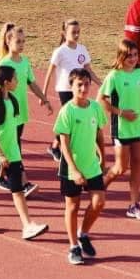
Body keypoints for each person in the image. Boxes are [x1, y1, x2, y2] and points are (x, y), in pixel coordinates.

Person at [0, 64, 48, 240]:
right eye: (15, 78)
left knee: (18, 189)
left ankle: (27, 225)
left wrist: (14, 150)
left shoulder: (13, 101)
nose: (17, 81)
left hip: (13, 152)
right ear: (6, 82)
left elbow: (12, 128)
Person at [54, 69, 107, 266]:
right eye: (79, 85)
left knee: (99, 202)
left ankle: (83, 233)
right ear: (72, 86)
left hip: (92, 165)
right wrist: (74, 170)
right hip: (71, 167)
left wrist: (102, 156)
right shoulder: (67, 111)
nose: (84, 88)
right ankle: (73, 246)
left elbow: (99, 134)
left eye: (86, 84)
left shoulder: (95, 107)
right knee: (73, 206)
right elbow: (64, 144)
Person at [0, 23, 50, 198]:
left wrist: (44, 98)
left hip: (21, 111)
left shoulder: (25, 61)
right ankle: (22, 183)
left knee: (13, 143)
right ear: (8, 41)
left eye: (23, 41)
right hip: (8, 112)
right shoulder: (4, 63)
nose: (21, 44)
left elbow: (31, 82)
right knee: (14, 147)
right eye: (18, 41)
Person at [99, 39, 140, 220]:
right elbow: (101, 100)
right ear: (121, 56)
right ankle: (100, 186)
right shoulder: (114, 76)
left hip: (138, 128)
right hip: (121, 128)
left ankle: (134, 205)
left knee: (137, 166)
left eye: (135, 55)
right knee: (121, 168)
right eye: (129, 56)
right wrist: (121, 112)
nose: (133, 59)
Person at [42, 19, 96, 162]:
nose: (77, 35)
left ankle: (55, 146)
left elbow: (88, 70)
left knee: (73, 120)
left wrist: (100, 83)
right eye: (73, 32)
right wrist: (44, 94)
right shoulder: (60, 51)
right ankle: (65, 149)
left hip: (79, 90)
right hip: (65, 90)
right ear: (64, 33)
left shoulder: (82, 49)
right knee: (71, 120)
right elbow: (49, 72)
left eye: (78, 32)